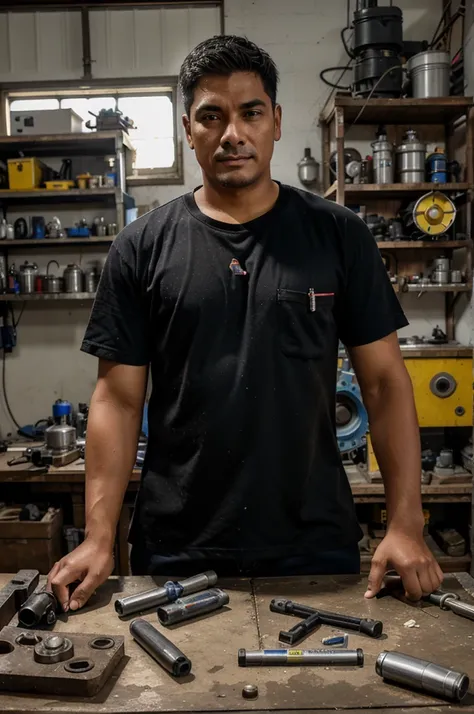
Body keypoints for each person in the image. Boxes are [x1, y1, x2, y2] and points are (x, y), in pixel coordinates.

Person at [48, 35, 443, 613]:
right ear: (189, 130)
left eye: (250, 112)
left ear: (276, 121)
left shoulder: (339, 236)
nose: (232, 132)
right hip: (177, 548)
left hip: (313, 544)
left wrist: (407, 524)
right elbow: (117, 398)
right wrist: (99, 535)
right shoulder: (141, 248)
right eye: (212, 116)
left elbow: (384, 384)